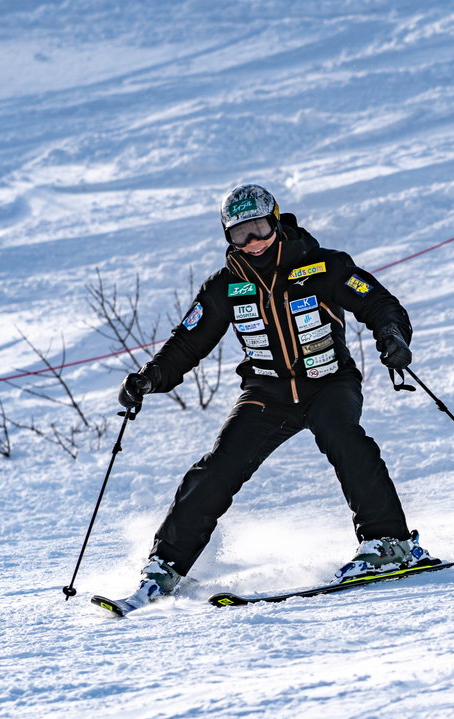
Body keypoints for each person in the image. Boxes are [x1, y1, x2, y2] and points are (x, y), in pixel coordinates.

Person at [111, 184, 431, 609]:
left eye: (259, 228)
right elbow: (187, 343)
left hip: (328, 382)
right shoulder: (225, 286)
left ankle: (388, 542)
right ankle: (165, 569)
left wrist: (392, 337)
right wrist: (149, 379)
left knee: (344, 437)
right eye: (239, 234)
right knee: (218, 465)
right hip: (266, 392)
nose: (253, 242)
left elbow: (379, 304)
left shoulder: (323, 266)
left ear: (276, 221)